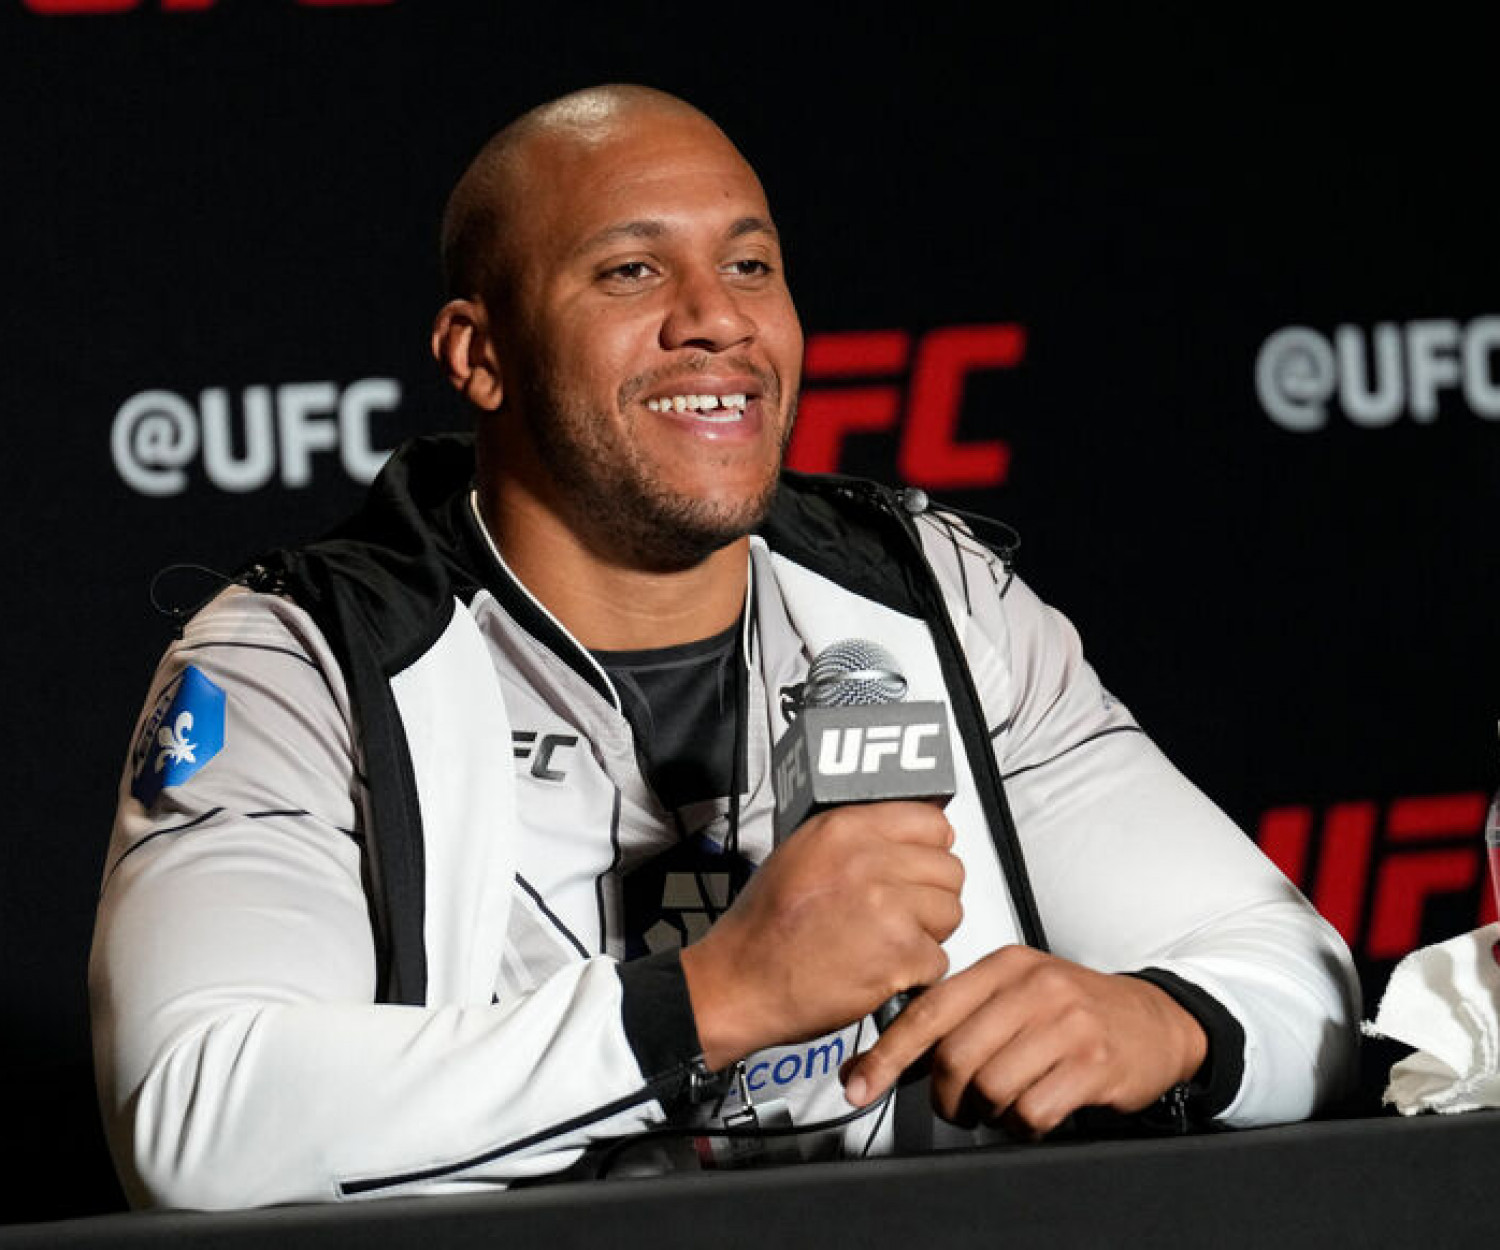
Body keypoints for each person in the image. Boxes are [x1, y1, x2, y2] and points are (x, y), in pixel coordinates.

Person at [90, 83, 1360, 1211]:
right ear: (482, 355)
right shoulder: (302, 664)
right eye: (631, 272)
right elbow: (196, 1111)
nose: (716, 321)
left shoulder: (933, 604)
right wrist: (708, 1000)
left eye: (751, 267)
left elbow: (1296, 974)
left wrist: (1171, 1022)